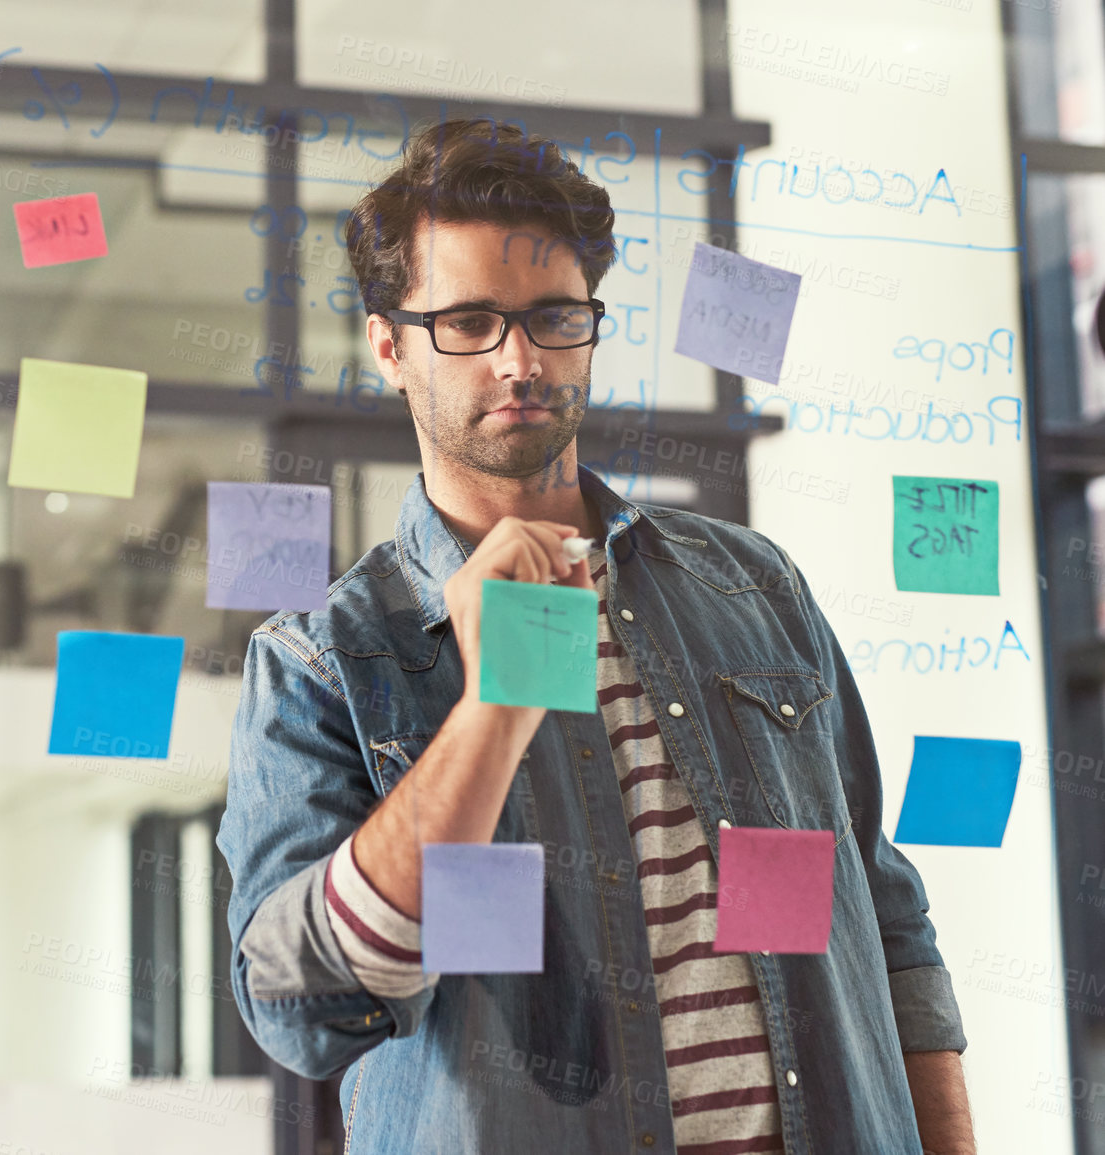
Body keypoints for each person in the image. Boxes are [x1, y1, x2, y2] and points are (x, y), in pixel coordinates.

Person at [215, 119, 976, 1154]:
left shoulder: (752, 584)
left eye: (553, 318)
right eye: (470, 321)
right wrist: (495, 707)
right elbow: (302, 1006)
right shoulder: (323, 663)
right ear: (390, 346)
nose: (520, 359)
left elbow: (888, 925)